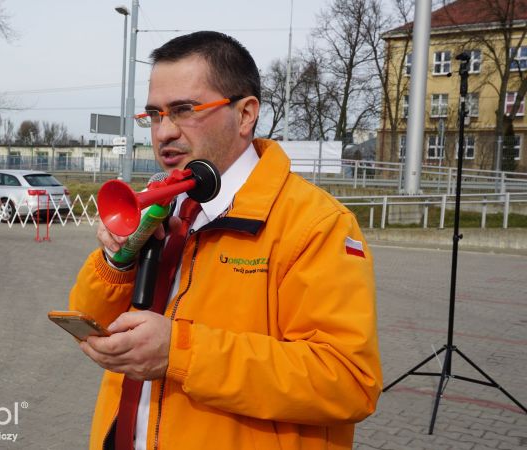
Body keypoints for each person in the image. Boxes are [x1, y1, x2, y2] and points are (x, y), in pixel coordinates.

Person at [68, 31, 382, 450]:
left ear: (246, 114)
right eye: (155, 115)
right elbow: (91, 323)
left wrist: (178, 353)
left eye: (183, 110)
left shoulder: (316, 223)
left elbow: (347, 380)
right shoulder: (167, 203)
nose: (163, 133)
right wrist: (119, 261)